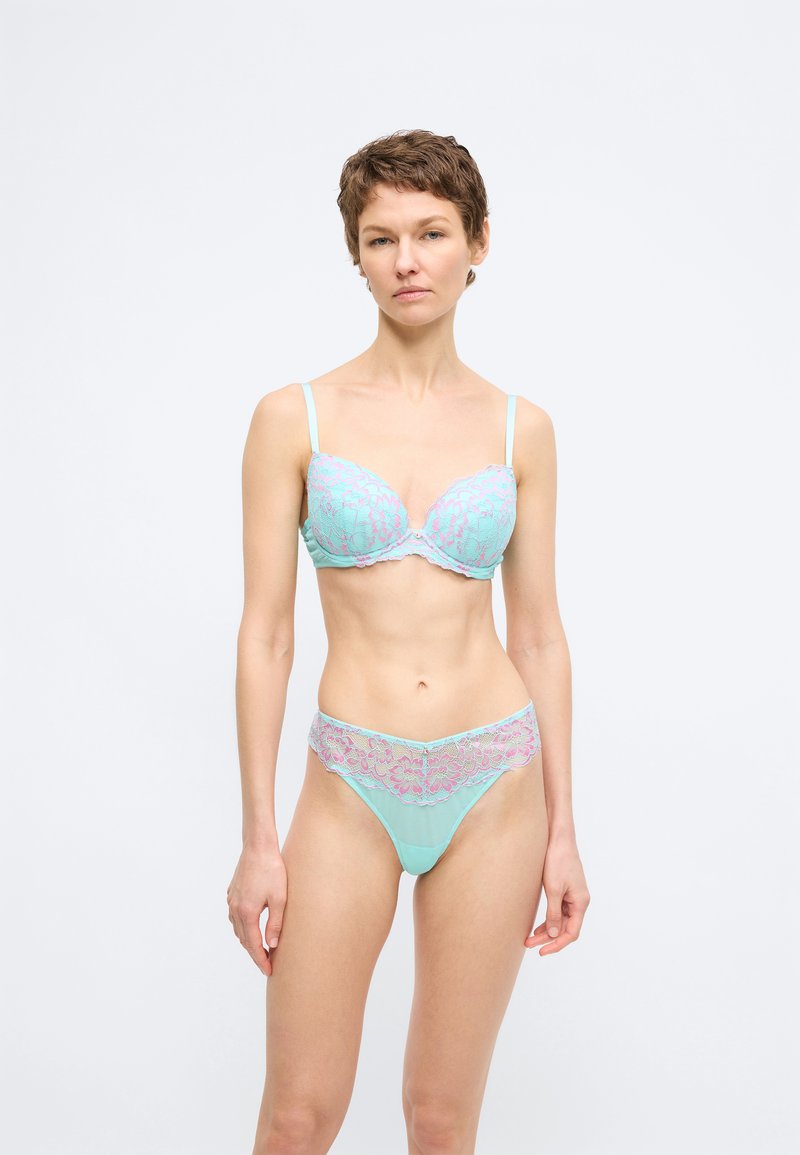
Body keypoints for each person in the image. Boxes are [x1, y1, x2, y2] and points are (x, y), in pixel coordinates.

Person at [227, 128, 590, 1155]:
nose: (407, 260)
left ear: (478, 242)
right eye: (381, 238)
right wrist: (259, 837)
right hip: (351, 779)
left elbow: (539, 634)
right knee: (297, 1115)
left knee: (440, 1118)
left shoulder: (521, 429)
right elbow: (265, 635)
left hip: (495, 781)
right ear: (356, 255)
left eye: (431, 233)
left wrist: (563, 828)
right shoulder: (293, 417)